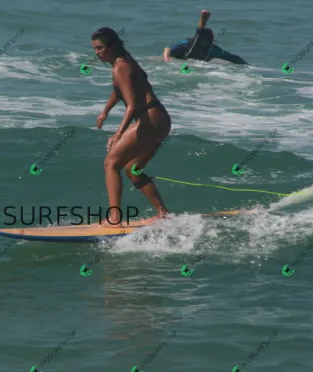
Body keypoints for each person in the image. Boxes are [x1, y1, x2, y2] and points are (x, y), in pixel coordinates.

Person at [92, 27, 171, 227]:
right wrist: (106, 110)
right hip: (160, 119)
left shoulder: (120, 67)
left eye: (100, 48)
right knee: (133, 169)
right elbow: (121, 90)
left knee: (111, 163)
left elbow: (133, 105)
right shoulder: (125, 61)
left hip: (150, 118)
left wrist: (117, 134)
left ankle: (115, 218)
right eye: (95, 49)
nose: (97, 53)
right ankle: (163, 214)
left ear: (111, 46)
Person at [163, 10, 248, 65]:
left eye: (208, 43)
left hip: (192, 62)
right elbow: (167, 49)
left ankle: (202, 22)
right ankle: (202, 23)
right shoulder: (186, 44)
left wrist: (245, 64)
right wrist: (166, 57)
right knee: (188, 65)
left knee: (189, 68)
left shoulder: (212, 49)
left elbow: (233, 58)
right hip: (183, 58)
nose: (206, 44)